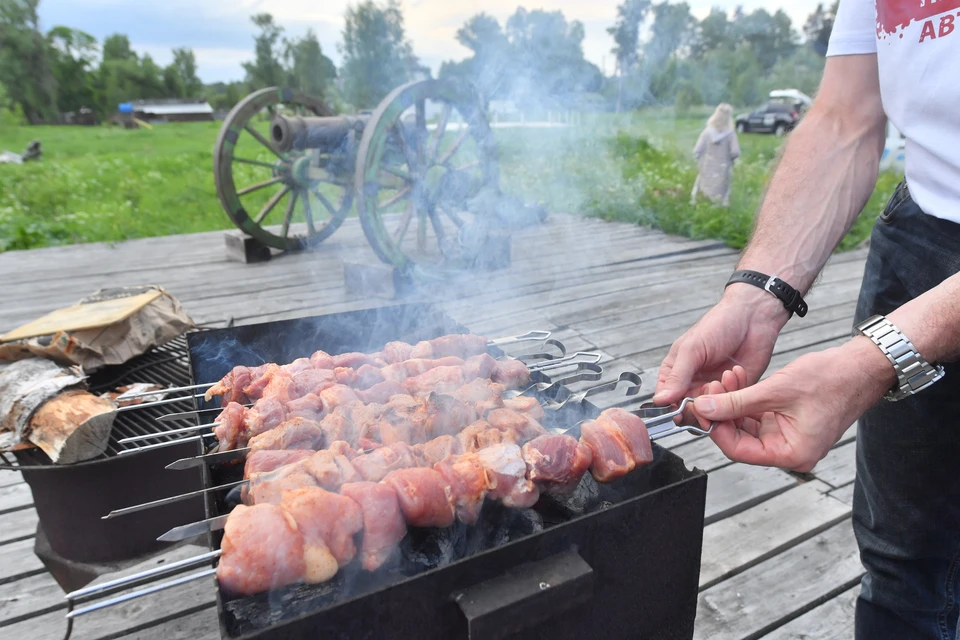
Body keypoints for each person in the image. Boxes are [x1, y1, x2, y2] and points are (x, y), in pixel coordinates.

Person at [653, 1, 960, 638]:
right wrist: (755, 297)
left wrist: (876, 359)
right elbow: (846, 116)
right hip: (925, 232)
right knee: (902, 561)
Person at [690, 103, 740, 207]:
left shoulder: (707, 132)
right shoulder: (730, 134)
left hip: (706, 167)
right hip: (723, 169)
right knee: (720, 196)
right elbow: (735, 152)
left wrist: (700, 159)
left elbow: (697, 150)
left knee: (703, 191)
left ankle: (700, 208)